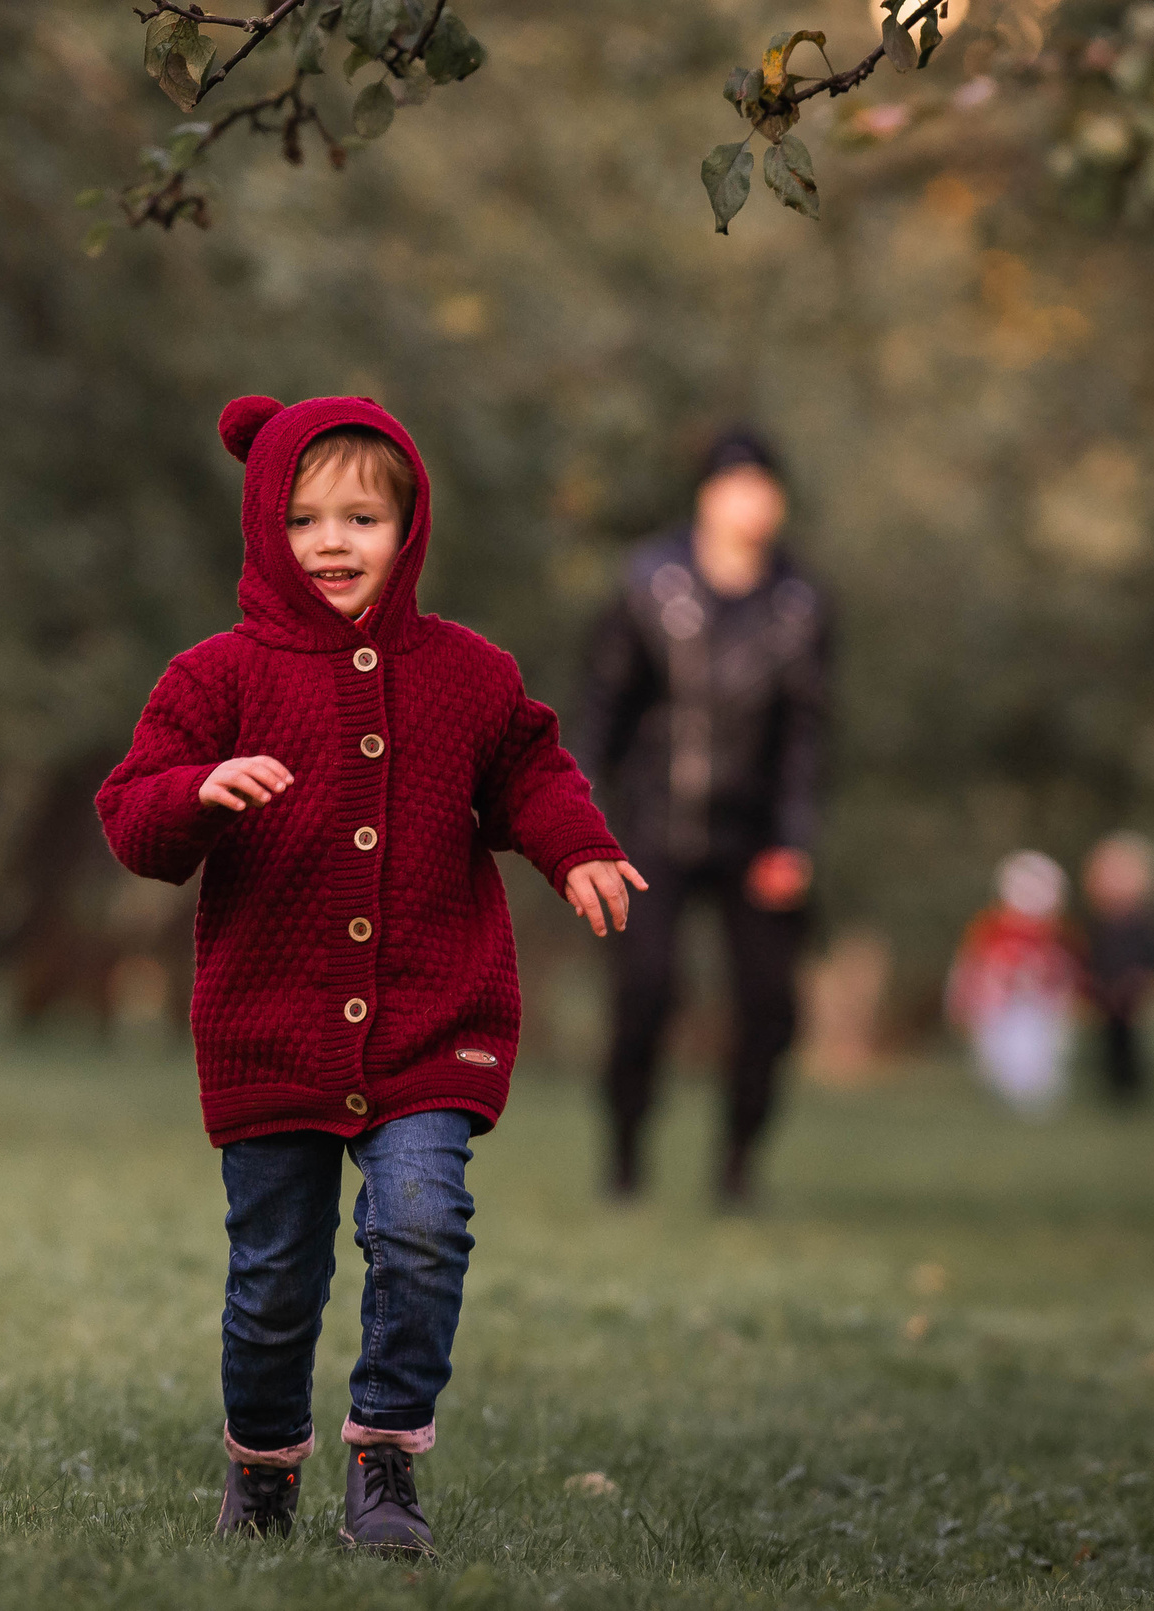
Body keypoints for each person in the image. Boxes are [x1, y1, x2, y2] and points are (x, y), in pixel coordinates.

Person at [97, 396, 640, 1556]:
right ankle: (263, 1471)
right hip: (269, 1026)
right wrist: (193, 794)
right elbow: (132, 819)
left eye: (361, 518)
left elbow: (532, 775)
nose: (331, 543)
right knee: (276, 1275)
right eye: (300, 520)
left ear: (409, 530)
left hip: (431, 1019)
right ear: (261, 528)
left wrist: (580, 844)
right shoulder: (215, 678)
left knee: (421, 1222)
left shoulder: (469, 675)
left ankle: (386, 1458)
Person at [571, 428, 830, 1207]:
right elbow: (604, 710)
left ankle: (739, 1165)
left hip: (755, 833)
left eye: (764, 487)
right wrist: (582, 822)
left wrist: (793, 837)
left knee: (769, 1004)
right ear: (706, 496)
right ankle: (625, 1153)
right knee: (646, 990)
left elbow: (807, 734)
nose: (751, 503)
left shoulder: (800, 605)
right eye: (736, 485)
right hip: (652, 822)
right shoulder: (647, 583)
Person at [947, 851, 1083, 1118]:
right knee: (997, 1053)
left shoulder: (1057, 931)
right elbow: (972, 964)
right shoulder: (989, 926)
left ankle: (1034, 1099)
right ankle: (1006, 1095)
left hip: (1038, 1006)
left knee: (1037, 1053)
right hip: (997, 1005)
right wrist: (963, 996)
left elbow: (1067, 969)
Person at [1079, 831, 1154, 1105]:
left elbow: (1153, 953)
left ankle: (1130, 1086)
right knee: (1110, 1038)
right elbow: (1093, 955)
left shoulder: (1143, 924)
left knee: (1130, 1039)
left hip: (1130, 990)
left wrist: (1142, 979)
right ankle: (1114, 1085)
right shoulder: (1101, 925)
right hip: (1107, 990)